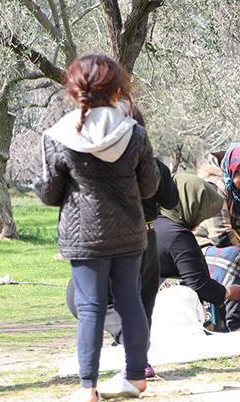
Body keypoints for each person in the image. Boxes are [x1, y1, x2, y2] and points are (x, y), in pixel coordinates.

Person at [38, 54, 158, 402]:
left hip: (84, 236)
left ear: (74, 90)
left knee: (90, 308)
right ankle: (136, 376)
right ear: (117, 89)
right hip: (128, 233)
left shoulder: (58, 136)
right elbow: (149, 187)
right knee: (130, 301)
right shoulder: (133, 132)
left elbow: (50, 193)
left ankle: (88, 388)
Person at [64, 108, 177, 379]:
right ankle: (140, 361)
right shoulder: (152, 163)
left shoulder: (99, 164)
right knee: (142, 302)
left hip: (116, 241)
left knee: (89, 299)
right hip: (148, 237)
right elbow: (171, 200)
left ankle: (131, 350)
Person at [194, 143, 240, 331]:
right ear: (229, 170)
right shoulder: (217, 188)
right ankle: (236, 322)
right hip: (207, 247)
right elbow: (220, 235)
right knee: (238, 257)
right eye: (239, 171)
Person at [156, 173, 240, 309]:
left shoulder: (151, 223)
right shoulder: (178, 237)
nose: (201, 221)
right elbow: (199, 284)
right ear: (188, 205)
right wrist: (228, 292)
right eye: (200, 213)